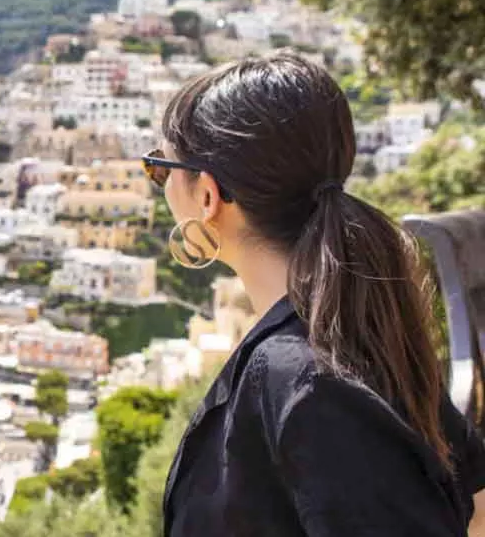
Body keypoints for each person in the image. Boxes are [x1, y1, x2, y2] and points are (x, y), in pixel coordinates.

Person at [143, 52, 485, 536]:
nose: (159, 185)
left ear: (207, 197)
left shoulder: (304, 380)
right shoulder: (362, 331)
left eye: (160, 169)